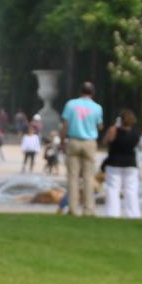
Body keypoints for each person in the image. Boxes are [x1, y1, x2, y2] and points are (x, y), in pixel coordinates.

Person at [60, 82, 103, 216]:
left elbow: (65, 125)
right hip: (89, 142)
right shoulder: (97, 107)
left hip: (74, 140)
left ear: (80, 91)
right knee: (88, 177)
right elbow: (100, 126)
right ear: (93, 93)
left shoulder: (71, 104)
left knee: (72, 177)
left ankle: (73, 208)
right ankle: (88, 208)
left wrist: (62, 141)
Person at [102, 109, 142, 219]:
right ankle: (133, 213)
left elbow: (106, 142)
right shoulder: (135, 132)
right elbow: (138, 145)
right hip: (130, 163)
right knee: (131, 190)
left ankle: (112, 213)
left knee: (113, 189)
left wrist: (114, 128)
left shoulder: (114, 131)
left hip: (114, 162)